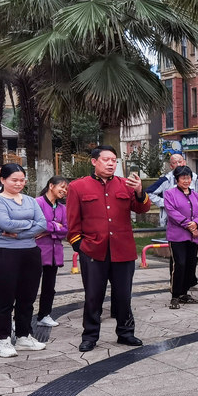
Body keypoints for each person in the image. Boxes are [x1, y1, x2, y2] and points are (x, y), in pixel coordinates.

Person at [66, 146, 151, 352]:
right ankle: (90, 336)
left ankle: (126, 333)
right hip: (94, 250)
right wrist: (81, 246)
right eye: (106, 159)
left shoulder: (125, 185)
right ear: (94, 162)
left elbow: (142, 208)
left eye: (114, 160)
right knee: (93, 296)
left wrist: (139, 191)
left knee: (124, 295)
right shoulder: (78, 187)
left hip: (123, 249)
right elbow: (72, 221)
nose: (111, 163)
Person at [0, 163, 47, 357]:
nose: (19, 183)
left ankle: (24, 336)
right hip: (5, 253)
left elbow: (43, 224)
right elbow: (5, 224)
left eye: (22, 180)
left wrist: (21, 232)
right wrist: (30, 224)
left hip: (30, 252)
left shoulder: (31, 201)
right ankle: (4, 340)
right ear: (3, 180)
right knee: (5, 298)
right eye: (14, 180)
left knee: (27, 297)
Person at [147, 151, 198, 291]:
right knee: (178, 259)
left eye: (180, 161)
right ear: (171, 166)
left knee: (192, 258)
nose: (178, 165)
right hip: (176, 225)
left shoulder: (194, 177)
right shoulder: (166, 180)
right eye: (174, 163)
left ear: (185, 162)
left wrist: (196, 201)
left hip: (195, 224)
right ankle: (175, 286)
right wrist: (165, 203)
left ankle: (191, 282)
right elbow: (149, 192)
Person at [163, 165, 198, 309]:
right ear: (177, 179)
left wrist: (197, 224)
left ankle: (184, 293)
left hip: (194, 236)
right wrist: (189, 225)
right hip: (178, 236)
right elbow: (172, 212)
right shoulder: (170, 194)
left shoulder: (196, 196)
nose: (186, 180)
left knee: (190, 264)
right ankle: (175, 295)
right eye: (183, 178)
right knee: (179, 264)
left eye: (188, 177)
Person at [35, 176, 69, 327]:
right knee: (29, 287)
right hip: (37, 251)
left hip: (54, 253)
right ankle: (19, 319)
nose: (64, 191)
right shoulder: (38, 203)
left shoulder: (63, 208)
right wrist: (56, 226)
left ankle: (44, 315)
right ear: (51, 186)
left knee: (49, 286)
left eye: (66, 189)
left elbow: (67, 230)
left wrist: (51, 229)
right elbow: (38, 225)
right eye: (62, 187)